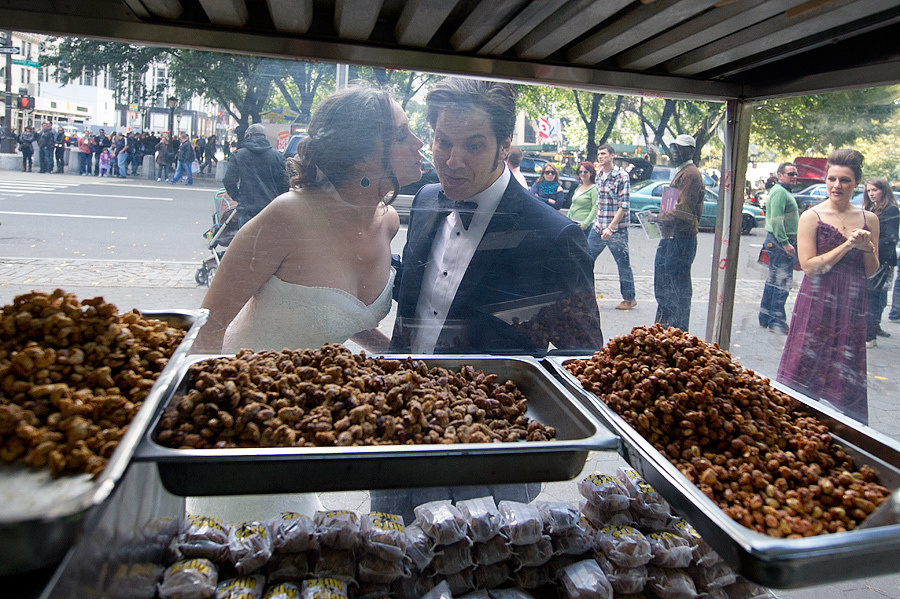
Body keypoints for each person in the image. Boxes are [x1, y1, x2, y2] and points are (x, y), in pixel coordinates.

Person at [383, 78, 603, 522]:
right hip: (398, 430)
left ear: (505, 146)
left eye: (474, 146)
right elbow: (418, 304)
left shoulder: (554, 235)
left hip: (489, 453)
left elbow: (583, 355)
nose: (452, 160)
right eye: (443, 142)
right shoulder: (426, 199)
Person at [193, 85, 422, 357]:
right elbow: (208, 326)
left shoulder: (388, 223)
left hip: (309, 391)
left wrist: (396, 357)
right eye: (401, 135)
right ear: (361, 158)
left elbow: (341, 310)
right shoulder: (287, 218)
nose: (418, 143)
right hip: (247, 383)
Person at [777, 149, 878, 424]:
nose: (837, 186)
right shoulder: (811, 216)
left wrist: (867, 247)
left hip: (852, 303)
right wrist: (848, 245)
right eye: (831, 179)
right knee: (805, 363)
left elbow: (871, 270)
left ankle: (842, 431)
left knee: (846, 369)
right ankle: (791, 424)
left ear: (856, 182)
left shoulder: (870, 220)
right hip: (818, 299)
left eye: (844, 180)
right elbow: (809, 266)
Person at [654, 134, 704, 331]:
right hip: (672, 238)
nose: (676, 150)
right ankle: (666, 330)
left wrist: (657, 218)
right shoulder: (681, 172)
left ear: (691, 151)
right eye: (674, 147)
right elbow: (670, 206)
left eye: (681, 147)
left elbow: (682, 212)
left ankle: (676, 332)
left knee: (676, 291)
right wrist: (661, 216)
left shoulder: (690, 174)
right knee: (666, 288)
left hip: (680, 240)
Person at [588, 144, 637, 311]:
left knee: (623, 264)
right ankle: (584, 294)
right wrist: (598, 222)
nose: (600, 157)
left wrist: (611, 227)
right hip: (599, 226)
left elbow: (623, 206)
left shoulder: (621, 176)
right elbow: (600, 202)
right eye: (598, 154)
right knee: (586, 259)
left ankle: (629, 298)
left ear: (612, 155)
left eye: (603, 154)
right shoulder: (600, 175)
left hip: (616, 230)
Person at [758, 162, 800, 334]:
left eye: (796, 174)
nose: (794, 177)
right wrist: (785, 243)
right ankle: (776, 321)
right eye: (791, 174)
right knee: (782, 282)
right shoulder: (779, 192)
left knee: (774, 280)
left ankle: (766, 317)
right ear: (780, 175)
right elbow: (776, 220)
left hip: (778, 241)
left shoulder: (783, 192)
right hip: (779, 242)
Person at [223, 125, 289, 227]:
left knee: (246, 241)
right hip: (270, 208)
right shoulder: (277, 156)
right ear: (265, 137)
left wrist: (238, 197)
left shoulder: (238, 155)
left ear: (248, 136)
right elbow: (285, 183)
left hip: (247, 209)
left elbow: (229, 180)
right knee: (268, 241)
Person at [863, 177, 899, 344]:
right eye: (869, 191)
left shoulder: (890, 210)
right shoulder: (872, 207)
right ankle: (873, 328)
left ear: (883, 191)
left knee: (873, 297)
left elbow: (892, 238)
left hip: (882, 260)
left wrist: (869, 245)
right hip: (875, 258)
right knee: (877, 297)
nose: (871, 194)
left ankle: (870, 336)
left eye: (874, 190)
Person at [567, 161, 597, 235]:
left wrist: (585, 224)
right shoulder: (578, 187)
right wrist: (567, 219)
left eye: (585, 172)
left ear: (591, 173)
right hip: (573, 223)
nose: (582, 174)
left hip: (584, 226)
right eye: (580, 172)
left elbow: (595, 208)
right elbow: (573, 205)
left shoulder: (594, 188)